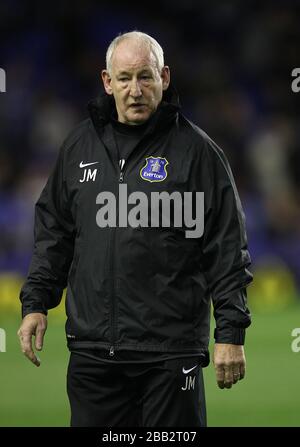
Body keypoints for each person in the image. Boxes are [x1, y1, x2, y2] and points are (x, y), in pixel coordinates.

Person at [18, 30, 253, 427]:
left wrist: (230, 334)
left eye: (145, 76)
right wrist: (36, 302)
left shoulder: (198, 153)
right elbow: (54, 233)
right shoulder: (78, 147)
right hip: (94, 356)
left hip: (169, 354)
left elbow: (226, 248)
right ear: (107, 82)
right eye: (124, 78)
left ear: (164, 77)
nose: (135, 90)